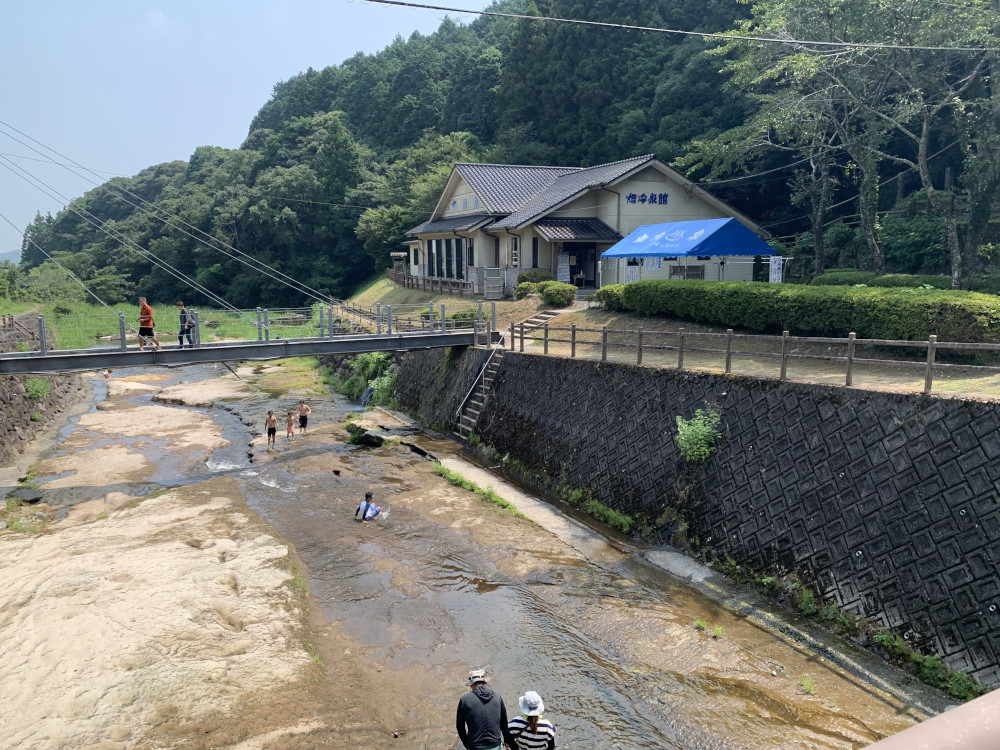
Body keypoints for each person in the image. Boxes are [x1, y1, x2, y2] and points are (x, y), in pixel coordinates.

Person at [456, 668, 515, 750]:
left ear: (471, 684)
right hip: (496, 745)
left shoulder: (464, 700)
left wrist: (467, 745)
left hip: (474, 746)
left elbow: (460, 727)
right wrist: (506, 741)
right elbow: (504, 723)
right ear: (485, 682)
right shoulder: (497, 697)